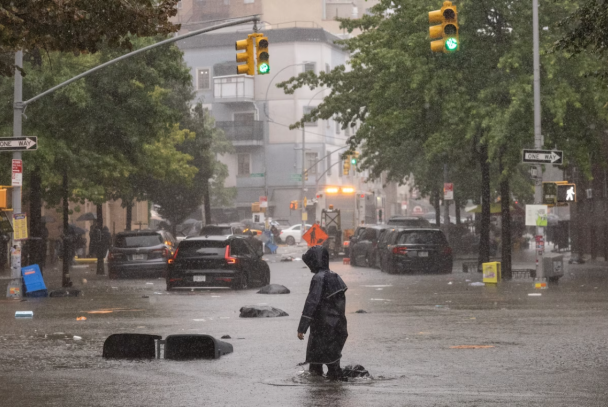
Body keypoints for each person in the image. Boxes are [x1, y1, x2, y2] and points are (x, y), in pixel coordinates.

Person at [297, 245, 348, 380]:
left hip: (322, 328)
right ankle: (334, 393)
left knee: (315, 368)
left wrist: (302, 328)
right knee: (333, 364)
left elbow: (311, 303)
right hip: (338, 326)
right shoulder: (336, 277)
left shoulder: (318, 278)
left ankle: (319, 394)